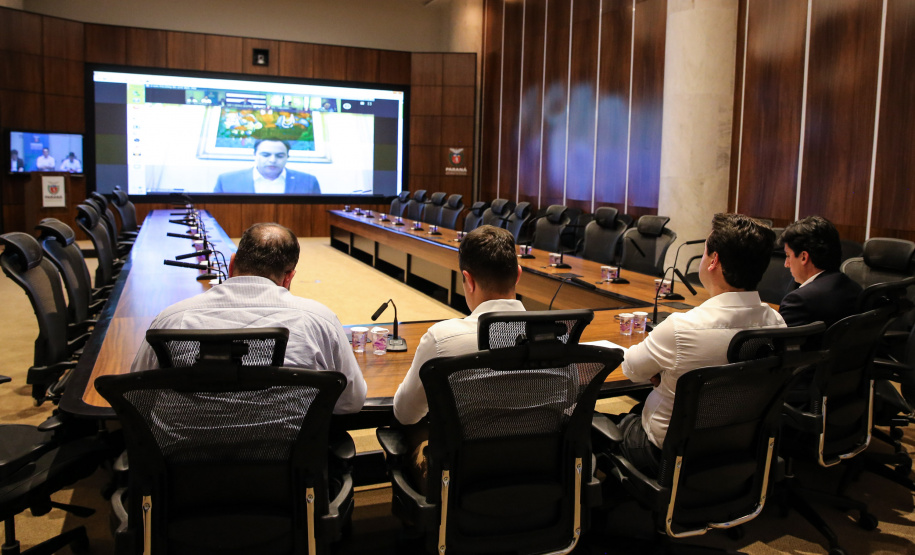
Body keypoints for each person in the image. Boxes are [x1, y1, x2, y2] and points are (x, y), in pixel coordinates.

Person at [130, 222, 365, 414]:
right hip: (288, 463)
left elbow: (136, 396)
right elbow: (351, 402)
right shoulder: (319, 320)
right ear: (289, 277)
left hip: (181, 464)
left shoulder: (171, 319)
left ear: (231, 265)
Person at [615, 214, 786, 475]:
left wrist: (661, 371)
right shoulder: (777, 324)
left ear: (713, 260)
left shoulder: (681, 328)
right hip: (738, 448)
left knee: (599, 425)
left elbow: (631, 369)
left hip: (667, 454)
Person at [393, 225, 524, 489]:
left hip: (463, 480)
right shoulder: (560, 334)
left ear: (469, 280)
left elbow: (405, 413)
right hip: (536, 474)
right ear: (518, 275)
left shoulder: (442, 339)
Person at [778, 216, 862, 328]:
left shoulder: (798, 302)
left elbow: (778, 344)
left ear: (804, 257)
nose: (786, 264)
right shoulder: (856, 289)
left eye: (788, 256)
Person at [214, 139, 321, 194]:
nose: (272, 160)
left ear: (287, 156)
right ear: (254, 155)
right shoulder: (227, 180)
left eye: (279, 156)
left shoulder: (308, 181)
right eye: (266, 155)